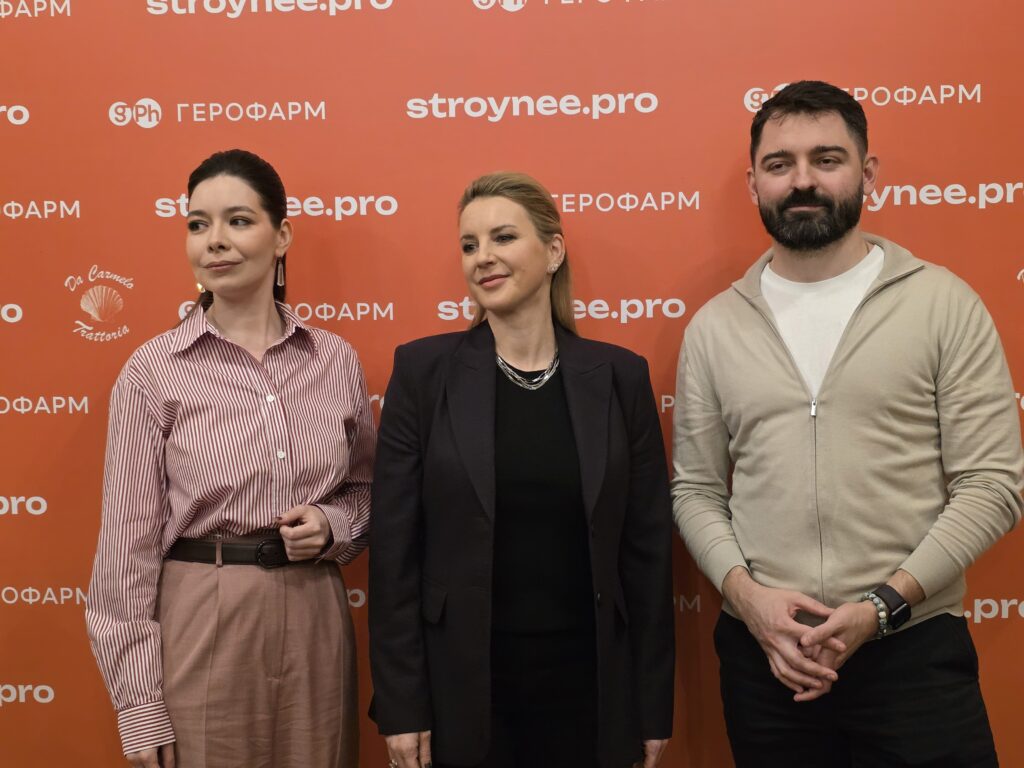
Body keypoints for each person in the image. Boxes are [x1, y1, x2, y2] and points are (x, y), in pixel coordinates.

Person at [671, 80, 1024, 767]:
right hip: (768, 661)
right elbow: (696, 491)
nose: (802, 180)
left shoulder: (943, 305)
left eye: (826, 159)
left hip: (914, 653)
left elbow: (992, 486)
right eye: (780, 164)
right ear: (754, 184)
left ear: (867, 174)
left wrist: (882, 606)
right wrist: (748, 599)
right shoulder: (715, 328)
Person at [368, 172, 675, 768]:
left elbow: (648, 555)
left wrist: (650, 703)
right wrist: (403, 706)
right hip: (463, 692)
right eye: (469, 245)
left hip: (590, 690)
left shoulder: (620, 377)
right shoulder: (423, 374)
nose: (483, 257)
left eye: (503, 237)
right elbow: (395, 555)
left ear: (553, 251)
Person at [85, 149, 374, 768]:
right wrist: (139, 705)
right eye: (198, 224)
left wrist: (334, 527)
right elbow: (125, 551)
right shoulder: (153, 370)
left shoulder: (335, 360)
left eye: (238, 221)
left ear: (282, 236)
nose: (214, 240)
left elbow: (367, 491)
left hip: (315, 611)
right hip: (202, 611)